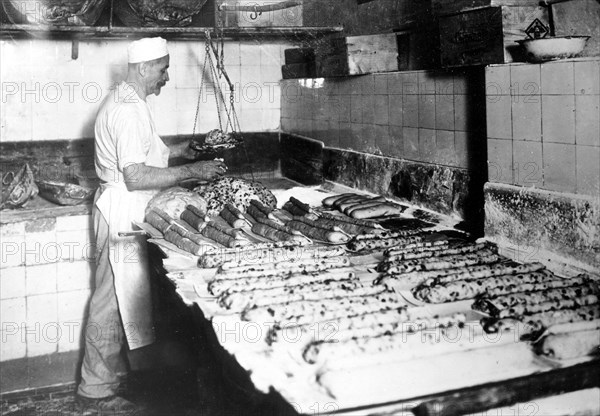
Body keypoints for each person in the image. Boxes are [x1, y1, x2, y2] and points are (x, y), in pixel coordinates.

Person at [76, 37, 226, 413]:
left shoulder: (131, 100)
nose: (166, 77)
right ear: (144, 67)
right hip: (121, 211)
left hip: (128, 210)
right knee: (110, 303)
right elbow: (136, 176)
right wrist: (193, 171)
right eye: (163, 69)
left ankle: (107, 380)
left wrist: (182, 152)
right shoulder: (126, 109)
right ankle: (94, 391)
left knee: (126, 299)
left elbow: (144, 153)